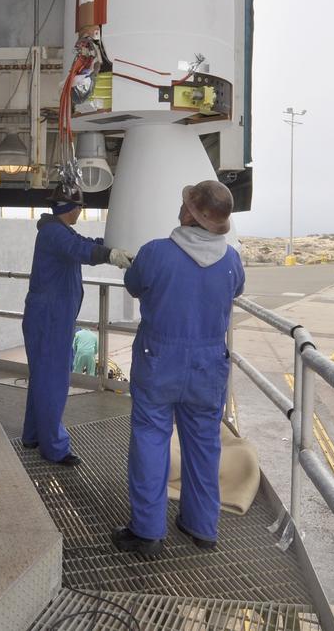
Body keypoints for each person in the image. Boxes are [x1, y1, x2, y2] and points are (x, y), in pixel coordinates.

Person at [112, 180, 244, 557]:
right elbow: (235, 292)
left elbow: (134, 285)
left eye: (185, 202)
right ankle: (201, 527)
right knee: (204, 444)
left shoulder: (156, 253)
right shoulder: (231, 259)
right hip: (208, 366)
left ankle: (148, 531)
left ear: (189, 213)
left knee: (151, 440)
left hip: (160, 361)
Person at [20, 186, 133, 466]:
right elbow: (80, 249)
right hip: (51, 319)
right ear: (71, 208)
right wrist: (110, 256)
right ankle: (54, 448)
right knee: (53, 382)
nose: (80, 212)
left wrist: (110, 245)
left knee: (42, 379)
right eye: (79, 207)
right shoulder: (56, 233)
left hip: (48, 316)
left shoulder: (58, 230)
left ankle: (33, 435)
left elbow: (84, 242)